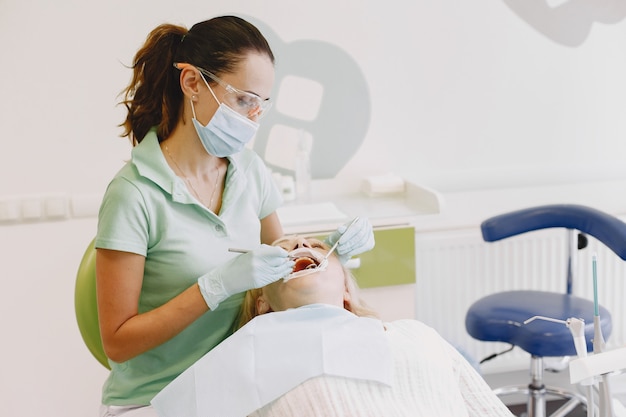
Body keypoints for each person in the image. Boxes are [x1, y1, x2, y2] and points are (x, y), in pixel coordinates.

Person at [95, 15, 374, 417]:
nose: (254, 117)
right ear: (192, 82)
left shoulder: (249, 171)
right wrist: (214, 288)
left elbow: (277, 263)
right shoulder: (133, 195)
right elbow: (117, 342)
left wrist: (326, 250)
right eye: (244, 99)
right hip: (153, 400)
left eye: (262, 104)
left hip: (234, 385)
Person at [151, 236, 515, 417]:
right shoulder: (247, 356)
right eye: (283, 250)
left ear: (345, 288)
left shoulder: (414, 333)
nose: (300, 244)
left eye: (318, 245)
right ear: (262, 303)